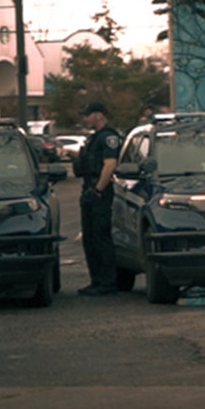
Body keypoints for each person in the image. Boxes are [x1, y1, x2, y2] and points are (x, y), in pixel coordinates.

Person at [75, 101, 121, 296]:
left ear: (99, 115)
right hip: (89, 190)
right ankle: (97, 280)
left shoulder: (109, 137)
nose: (86, 118)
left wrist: (98, 190)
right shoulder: (94, 139)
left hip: (100, 192)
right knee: (90, 238)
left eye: (88, 115)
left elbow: (109, 165)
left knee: (101, 237)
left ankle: (108, 281)